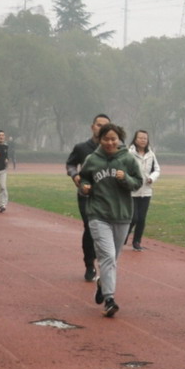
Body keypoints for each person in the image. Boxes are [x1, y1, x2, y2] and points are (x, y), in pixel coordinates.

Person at [79, 123, 142, 317]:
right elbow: (84, 178)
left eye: (113, 139)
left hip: (122, 215)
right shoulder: (92, 159)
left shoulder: (128, 159)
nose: (109, 142)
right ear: (100, 139)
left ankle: (102, 282)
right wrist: (84, 186)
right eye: (106, 139)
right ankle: (109, 299)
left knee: (112, 258)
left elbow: (138, 182)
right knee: (107, 256)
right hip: (98, 214)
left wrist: (125, 178)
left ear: (119, 139)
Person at [66, 114, 110, 282]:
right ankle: (89, 264)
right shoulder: (81, 148)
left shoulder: (113, 148)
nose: (101, 128)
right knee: (90, 227)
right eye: (99, 125)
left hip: (107, 196)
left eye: (105, 125)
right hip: (86, 195)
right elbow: (70, 164)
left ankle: (103, 260)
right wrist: (75, 175)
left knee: (106, 229)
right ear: (92, 127)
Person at [126, 129, 160, 251]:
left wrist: (151, 178)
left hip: (146, 191)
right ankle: (123, 236)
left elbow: (157, 169)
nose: (143, 140)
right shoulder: (129, 153)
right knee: (133, 218)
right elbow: (124, 169)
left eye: (145, 138)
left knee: (141, 218)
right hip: (132, 191)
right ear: (135, 139)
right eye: (140, 138)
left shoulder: (151, 154)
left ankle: (137, 241)